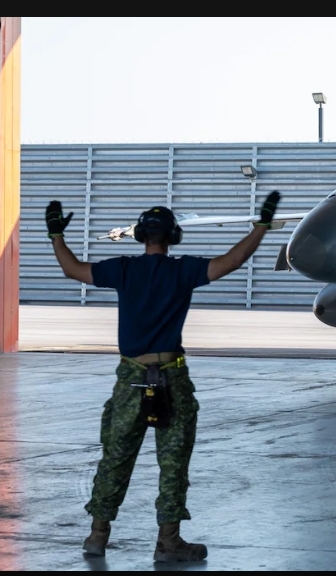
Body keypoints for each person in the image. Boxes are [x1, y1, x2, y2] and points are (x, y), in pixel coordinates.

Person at [44, 190, 281, 563]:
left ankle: (97, 536)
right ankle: (168, 541)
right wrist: (262, 227)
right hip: (171, 377)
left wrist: (56, 235)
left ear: (140, 235)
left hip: (130, 377)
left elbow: (72, 268)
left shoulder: (121, 269)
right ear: (173, 237)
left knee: (116, 456)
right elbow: (232, 261)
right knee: (173, 461)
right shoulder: (182, 270)